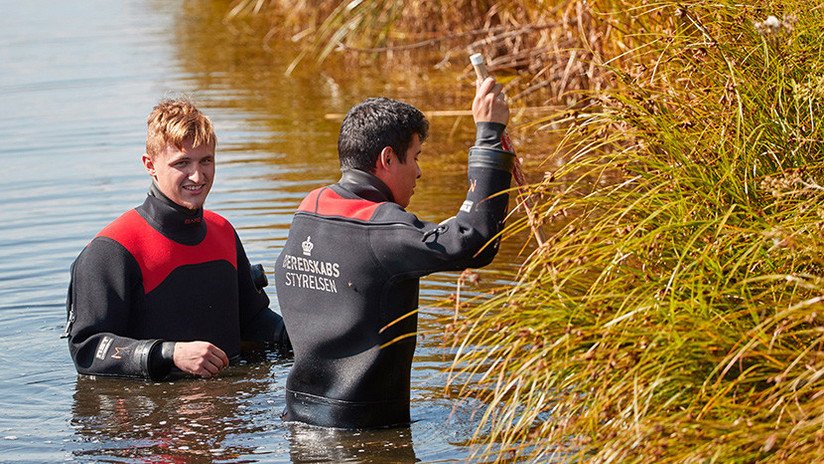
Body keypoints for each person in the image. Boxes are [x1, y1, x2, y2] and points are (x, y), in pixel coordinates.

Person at [274, 77, 514, 428]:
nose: (419, 172)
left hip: (298, 423)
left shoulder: (311, 207)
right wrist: (490, 136)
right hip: (364, 434)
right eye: (415, 157)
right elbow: (473, 240)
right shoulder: (380, 228)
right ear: (387, 158)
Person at [65, 98, 290, 381]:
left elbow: (253, 320)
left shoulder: (222, 231)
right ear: (150, 165)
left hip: (231, 396)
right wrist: (169, 353)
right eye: (182, 163)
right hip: (153, 403)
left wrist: (304, 338)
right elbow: (87, 349)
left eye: (206, 161)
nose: (197, 176)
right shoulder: (113, 249)